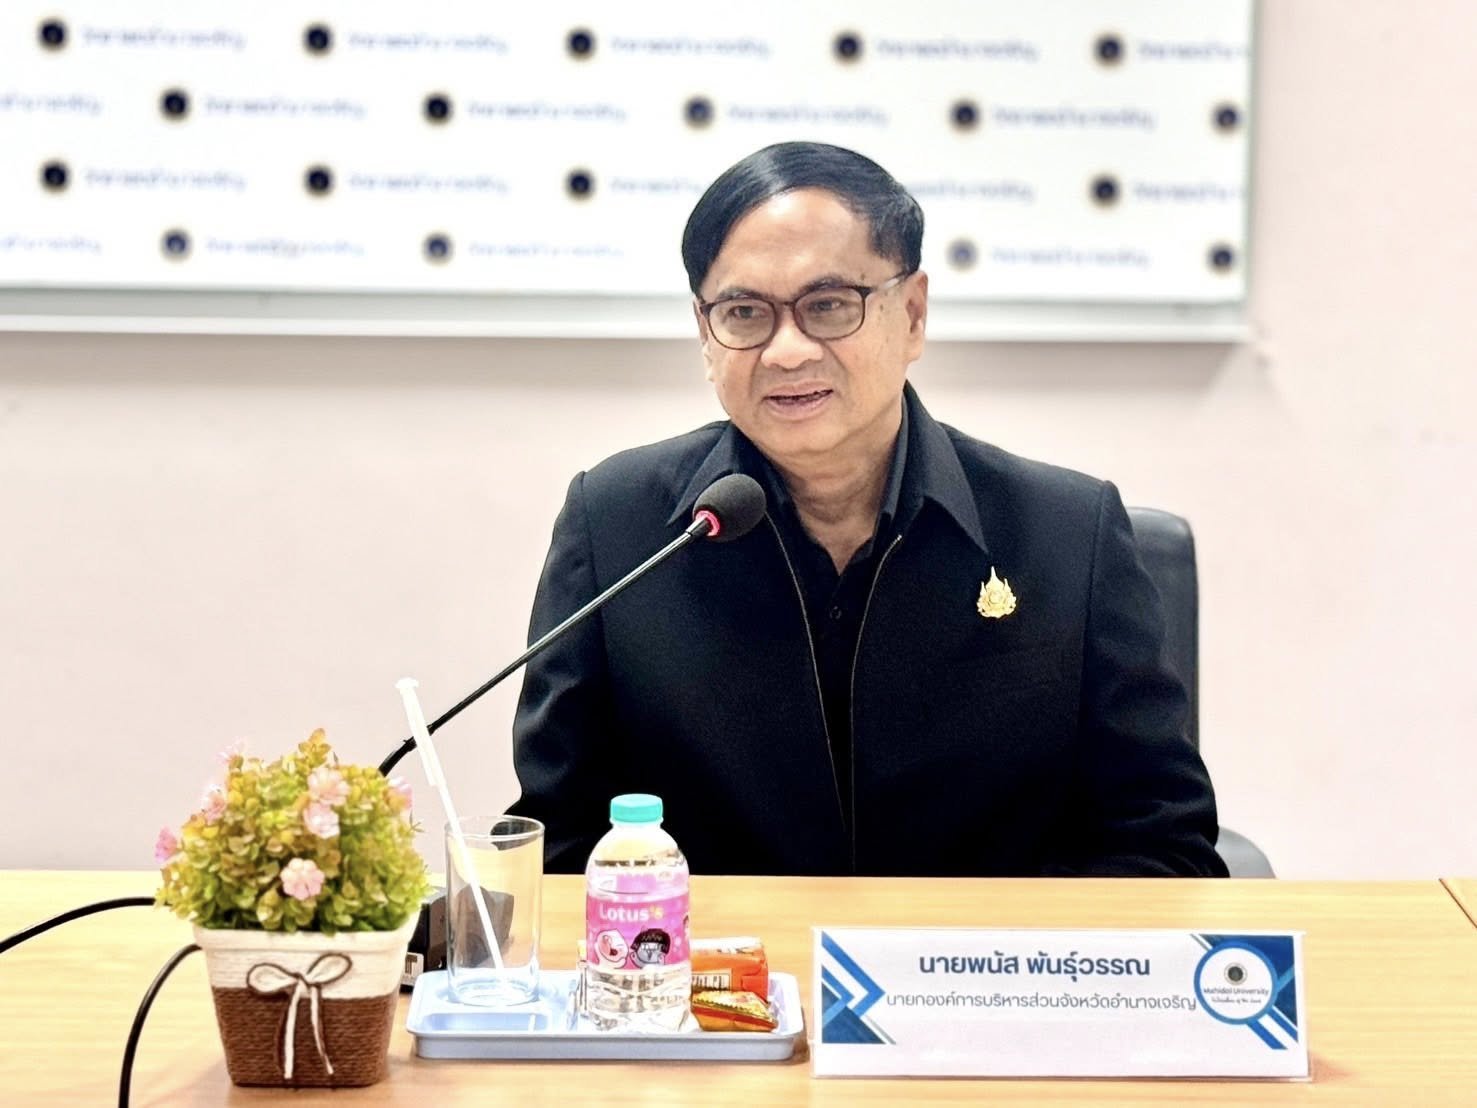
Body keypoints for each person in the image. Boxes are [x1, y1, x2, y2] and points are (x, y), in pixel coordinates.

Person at [509, 142, 1227, 878]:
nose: (786, 352)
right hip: (706, 954)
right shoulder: (618, 526)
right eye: (744, 313)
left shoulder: (1068, 534)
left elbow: (1162, 847)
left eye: (827, 306)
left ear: (911, 314)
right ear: (705, 333)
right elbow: (559, 846)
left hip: (984, 953)